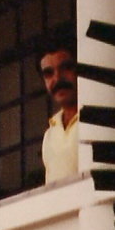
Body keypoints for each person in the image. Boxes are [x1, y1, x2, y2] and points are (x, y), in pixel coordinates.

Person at [38, 38, 80, 183]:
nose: (58, 78)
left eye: (66, 68)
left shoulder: (96, 119)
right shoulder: (49, 135)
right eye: (49, 73)